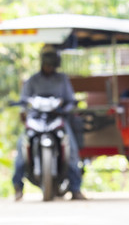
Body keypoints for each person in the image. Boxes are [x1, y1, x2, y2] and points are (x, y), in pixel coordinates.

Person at [12, 45, 86, 201]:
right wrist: (23, 107)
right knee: (21, 147)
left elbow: (70, 100)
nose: (49, 65)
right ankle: (18, 186)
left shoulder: (62, 80)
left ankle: (75, 189)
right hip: (36, 119)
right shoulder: (33, 80)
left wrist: (66, 107)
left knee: (71, 149)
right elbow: (24, 100)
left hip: (57, 118)